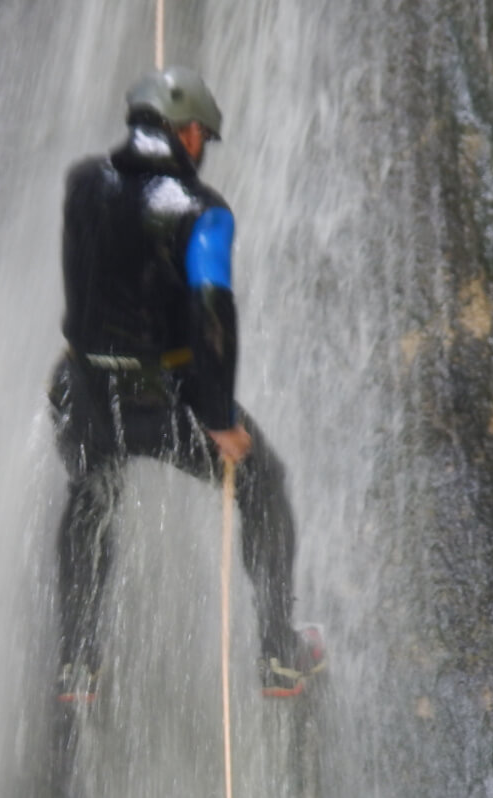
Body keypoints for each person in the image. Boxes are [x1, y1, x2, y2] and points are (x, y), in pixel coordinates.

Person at [47, 66, 325, 703]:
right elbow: (211, 310)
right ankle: (281, 653)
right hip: (163, 400)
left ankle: (77, 661)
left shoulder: (82, 185)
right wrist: (219, 415)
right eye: (207, 139)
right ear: (191, 133)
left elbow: (83, 283)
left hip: (87, 393)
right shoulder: (203, 212)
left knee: (90, 492)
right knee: (263, 481)